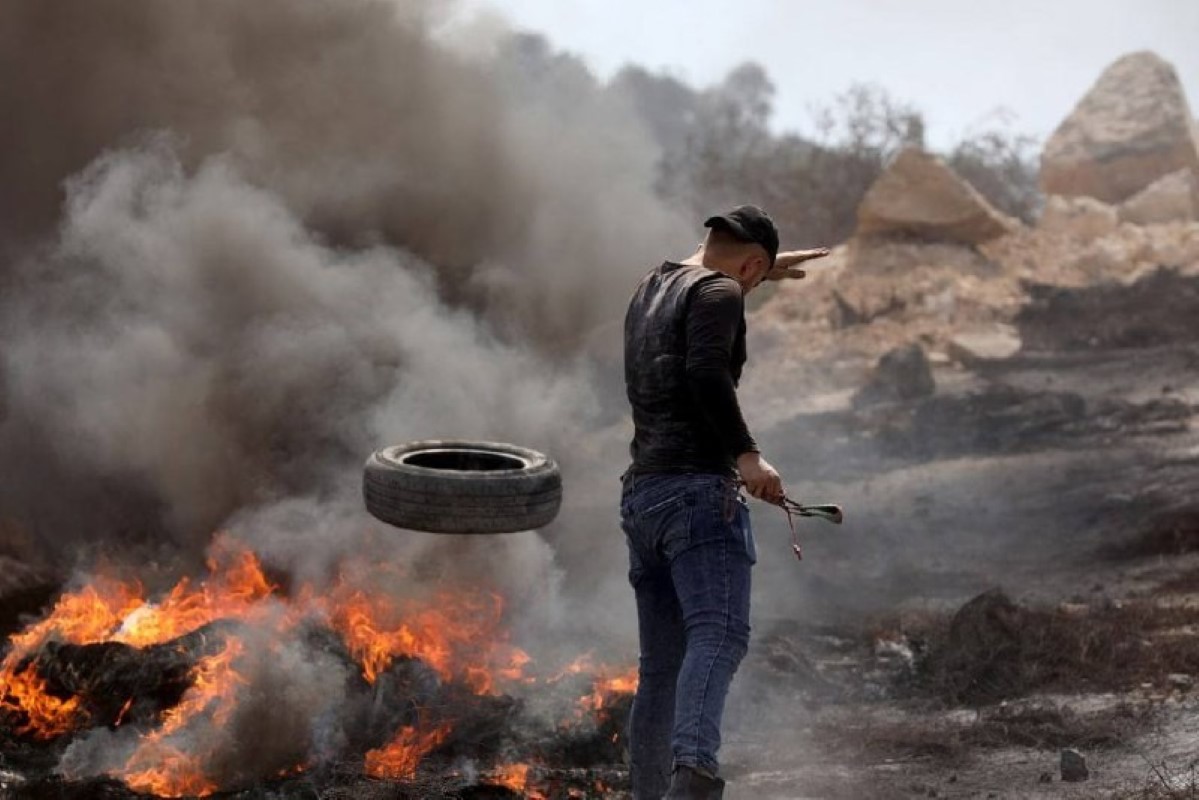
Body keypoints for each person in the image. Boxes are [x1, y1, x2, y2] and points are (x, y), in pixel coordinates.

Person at [620, 205, 828, 799]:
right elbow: (706, 371)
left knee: (661, 666)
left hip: (643, 496)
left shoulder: (651, 286)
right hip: (697, 497)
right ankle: (693, 777)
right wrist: (748, 456)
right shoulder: (721, 292)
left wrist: (756, 272)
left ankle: (648, 793)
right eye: (754, 276)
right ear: (751, 265)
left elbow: (702, 287)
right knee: (721, 633)